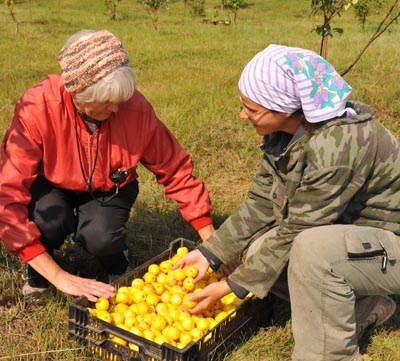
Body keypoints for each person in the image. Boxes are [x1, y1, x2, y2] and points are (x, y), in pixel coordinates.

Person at [173, 44, 400, 361]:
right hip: (356, 236)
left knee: (313, 252)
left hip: (391, 244)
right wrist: (211, 251)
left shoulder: (338, 145)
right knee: (259, 250)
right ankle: (365, 304)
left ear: (284, 107)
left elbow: (300, 229)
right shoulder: (286, 133)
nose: (242, 115)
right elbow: (262, 200)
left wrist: (233, 286)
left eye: (251, 109)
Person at [0, 29, 214, 302]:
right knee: (47, 221)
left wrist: (214, 246)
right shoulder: (37, 108)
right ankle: (41, 266)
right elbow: (6, 196)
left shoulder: (134, 109)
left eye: (120, 101)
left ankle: (114, 258)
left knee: (100, 236)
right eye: (106, 102)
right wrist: (60, 277)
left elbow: (176, 171)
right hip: (51, 183)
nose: (115, 110)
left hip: (109, 187)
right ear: (76, 92)